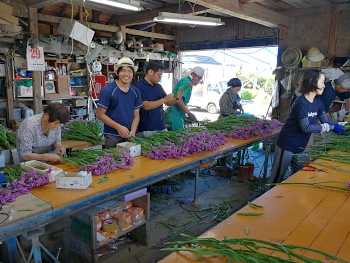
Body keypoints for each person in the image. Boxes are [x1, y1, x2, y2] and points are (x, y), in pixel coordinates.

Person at [268, 69, 345, 186]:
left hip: (301, 146)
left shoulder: (318, 103)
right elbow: (306, 127)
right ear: (312, 82)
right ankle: (267, 200)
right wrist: (326, 128)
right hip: (287, 144)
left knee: (299, 176)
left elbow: (325, 120)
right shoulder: (301, 103)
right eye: (322, 82)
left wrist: (339, 125)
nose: (324, 85)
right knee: (277, 178)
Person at [97, 57, 143, 148]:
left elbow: (136, 115)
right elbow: (100, 114)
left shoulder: (136, 91)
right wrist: (118, 127)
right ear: (117, 72)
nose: (126, 74)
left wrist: (133, 131)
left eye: (129, 71)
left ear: (133, 74)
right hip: (112, 135)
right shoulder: (108, 90)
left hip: (130, 135)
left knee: (132, 160)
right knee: (113, 160)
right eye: (123, 71)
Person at [135, 61, 182, 138]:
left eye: (161, 76)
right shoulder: (139, 86)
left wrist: (176, 98)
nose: (160, 78)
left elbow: (168, 103)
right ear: (150, 72)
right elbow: (145, 106)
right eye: (159, 75)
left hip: (161, 127)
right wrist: (164, 99)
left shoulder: (158, 86)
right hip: (147, 129)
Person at [167, 67, 204, 131]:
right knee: (179, 136)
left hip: (178, 112)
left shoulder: (189, 83)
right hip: (175, 112)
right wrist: (188, 113)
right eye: (198, 78)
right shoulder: (186, 82)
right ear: (192, 74)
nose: (198, 81)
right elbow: (178, 100)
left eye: (200, 79)